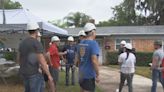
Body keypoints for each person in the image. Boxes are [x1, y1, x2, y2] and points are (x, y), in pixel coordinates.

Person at [18, 22, 53, 92]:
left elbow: (18, 59)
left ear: (28, 31)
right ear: (36, 31)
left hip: (24, 73)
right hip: (34, 73)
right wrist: (49, 75)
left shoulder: (22, 43)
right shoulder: (36, 43)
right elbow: (42, 61)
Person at [77, 23, 100, 92]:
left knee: (82, 89)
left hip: (81, 73)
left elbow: (78, 58)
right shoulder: (93, 43)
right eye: (95, 32)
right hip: (88, 75)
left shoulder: (81, 43)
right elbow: (94, 60)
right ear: (92, 32)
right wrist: (97, 74)